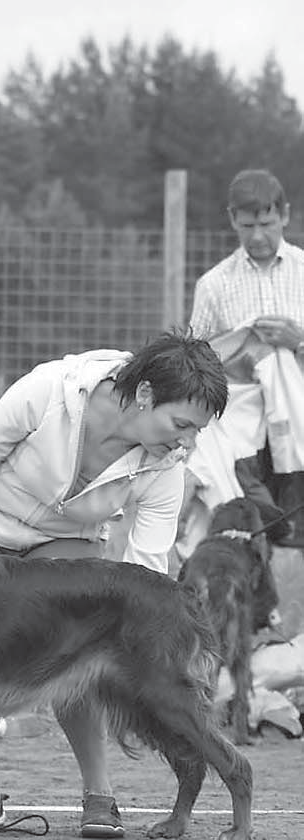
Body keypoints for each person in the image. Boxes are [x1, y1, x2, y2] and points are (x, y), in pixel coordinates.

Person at [0, 331, 228, 838]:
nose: (187, 441)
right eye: (181, 424)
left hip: (64, 541)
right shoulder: (53, 390)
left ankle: (99, 795)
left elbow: (145, 566)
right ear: (144, 396)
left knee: (88, 636)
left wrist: (143, 639)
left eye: (196, 431)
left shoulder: (167, 467)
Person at [181, 169, 304, 556]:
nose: (257, 236)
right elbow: (193, 360)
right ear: (232, 218)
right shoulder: (214, 285)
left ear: (284, 215)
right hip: (240, 422)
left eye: (266, 223)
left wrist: (297, 341)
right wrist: (239, 359)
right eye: (247, 225)